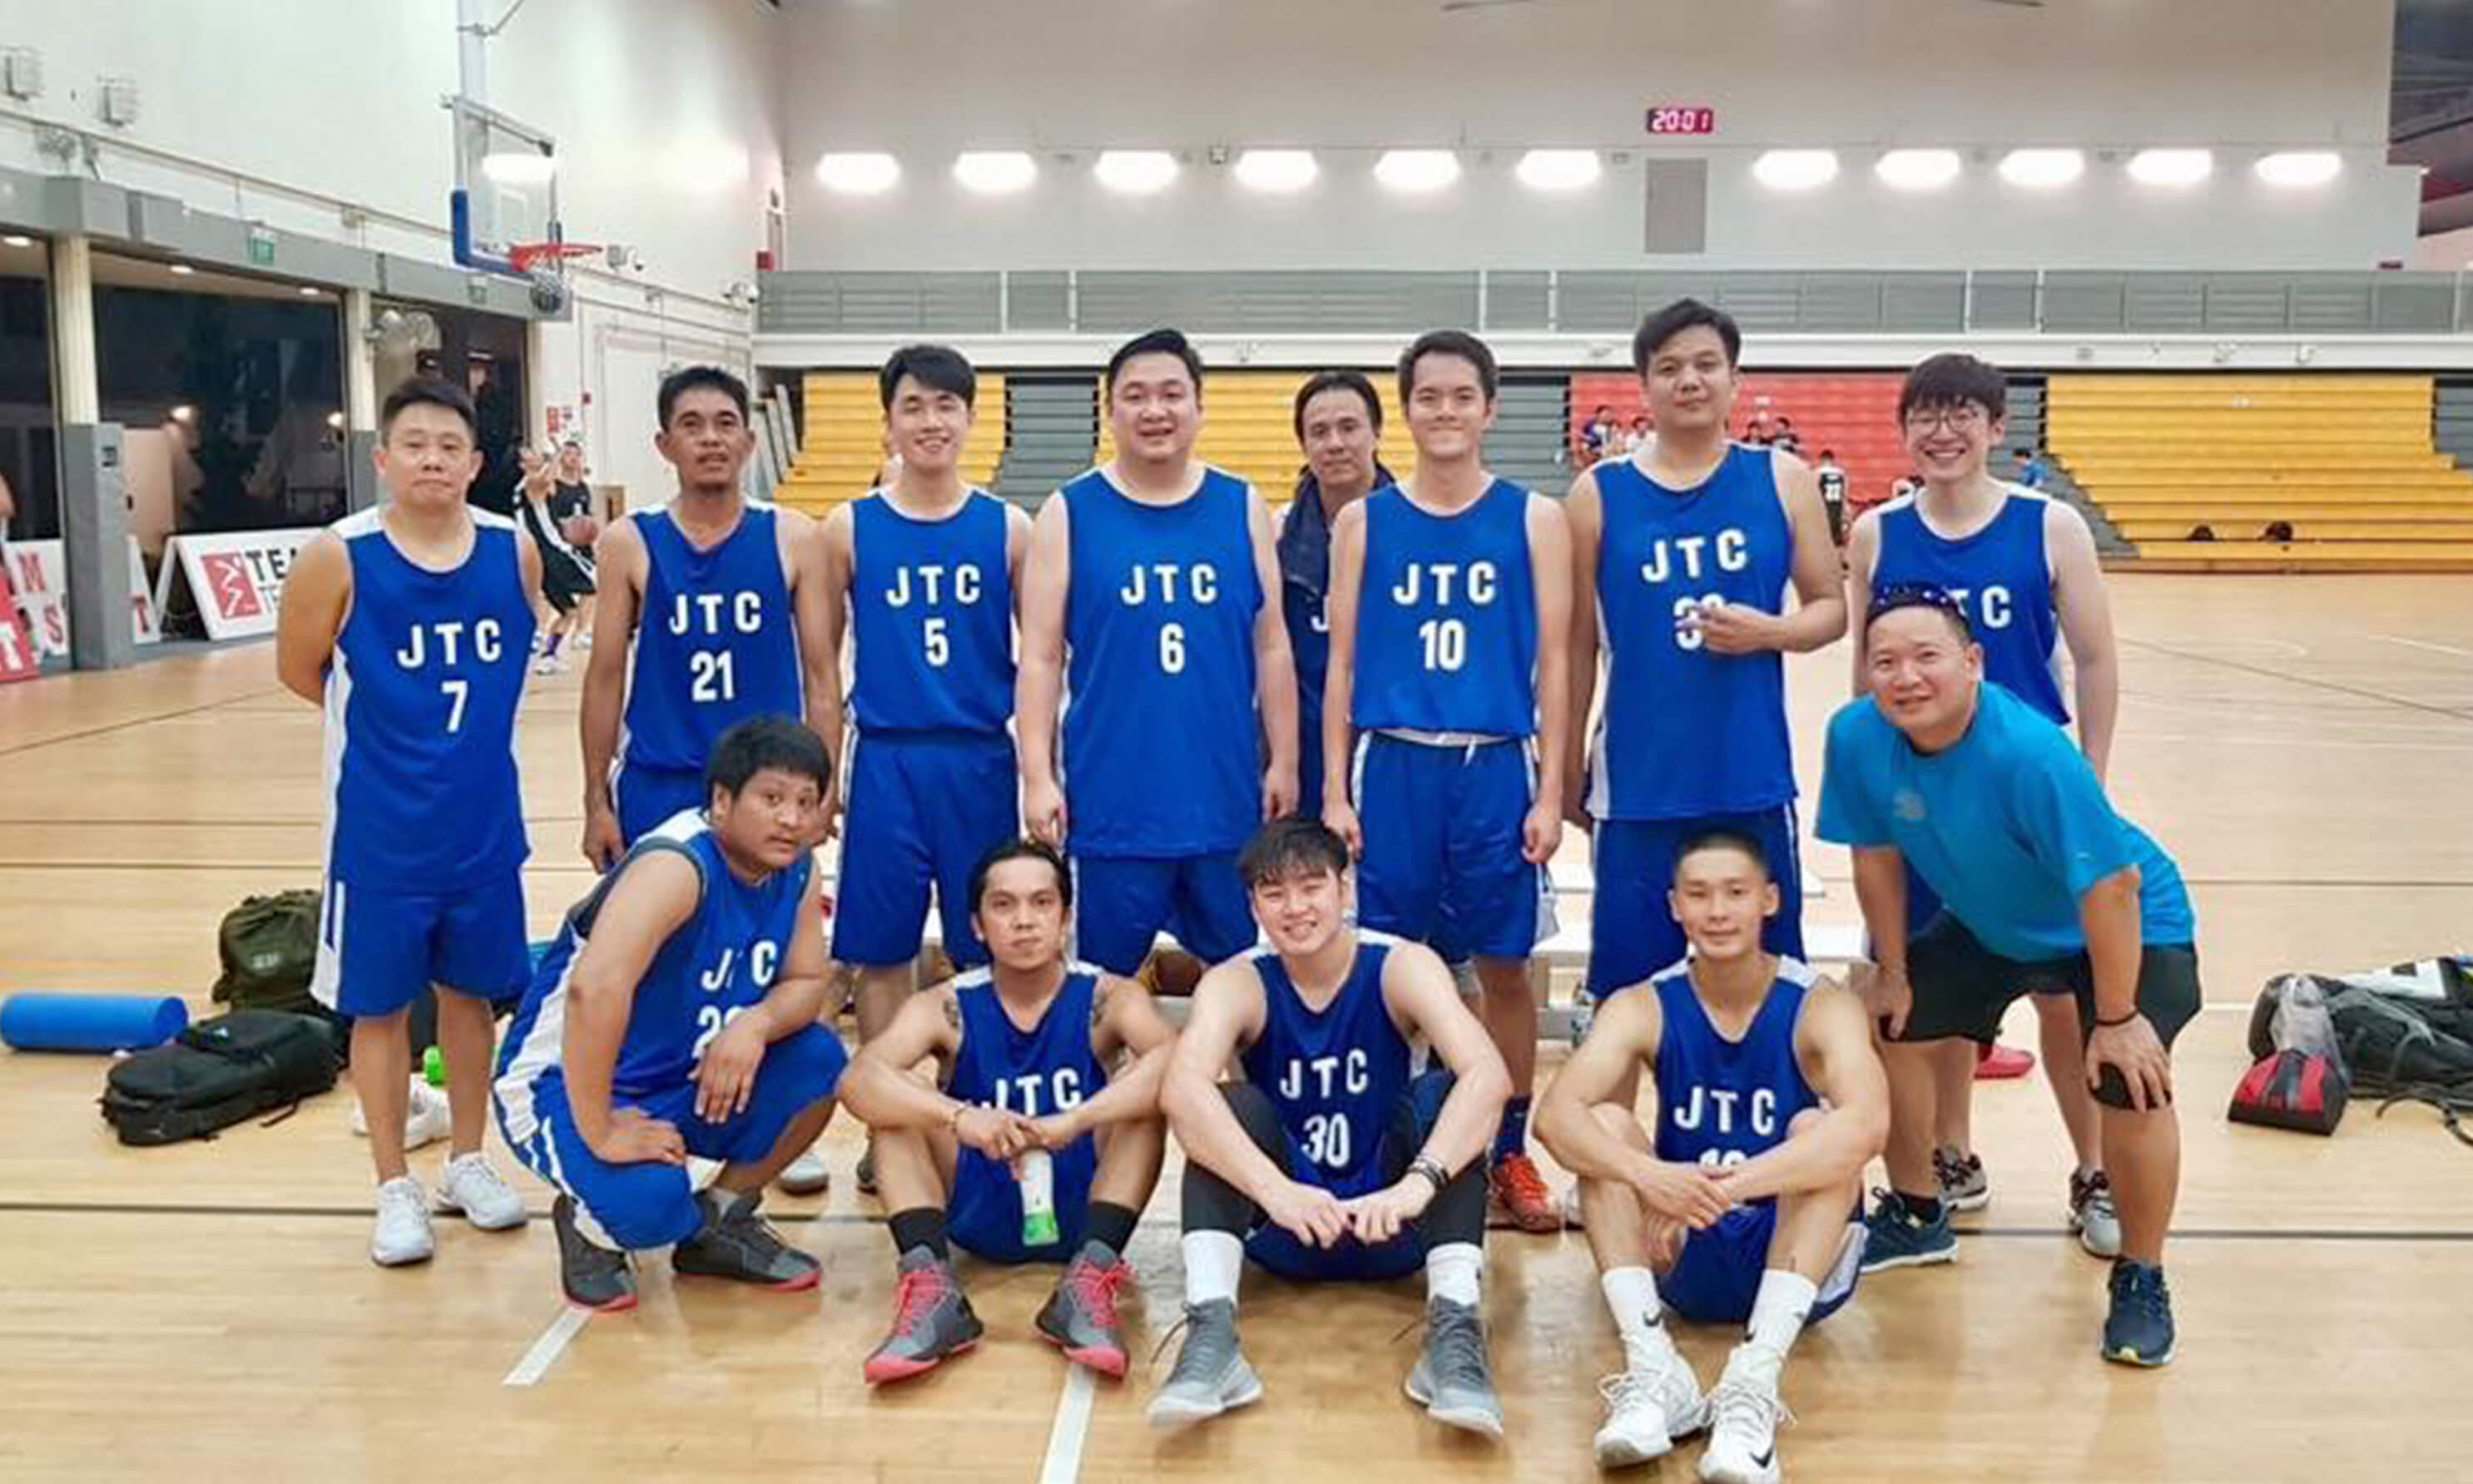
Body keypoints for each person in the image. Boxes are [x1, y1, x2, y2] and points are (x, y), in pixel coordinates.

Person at [1817, 586, 2196, 1367]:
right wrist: (1891, 970)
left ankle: (2142, 1275)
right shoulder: (1856, 736)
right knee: (1887, 1021)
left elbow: (2110, 887)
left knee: (2131, 1080)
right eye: (1884, 661)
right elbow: (1875, 855)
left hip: (2126, 925)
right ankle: (1920, 1214)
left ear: (1974, 662)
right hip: (1994, 923)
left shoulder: (2028, 751)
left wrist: (2120, 1018)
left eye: (1927, 657)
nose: (1905, 677)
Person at [1846, 353, 2124, 1254]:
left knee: (2061, 996)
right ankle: (1948, 1154)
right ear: (1904, 430)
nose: (1942, 429)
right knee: (1929, 991)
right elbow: (1868, 670)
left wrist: (2090, 771)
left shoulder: (2049, 526)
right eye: (1924, 414)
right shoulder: (1877, 532)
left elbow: (2092, 657)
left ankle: (2091, 1167)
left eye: (1961, 412)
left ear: (1995, 426)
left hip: (2023, 804)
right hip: (1923, 804)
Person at [275, 376, 539, 1267]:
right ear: (383, 458)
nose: (431, 457)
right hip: (380, 831)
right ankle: (395, 1183)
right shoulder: (339, 556)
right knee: (379, 1008)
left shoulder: (513, 550)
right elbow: (300, 669)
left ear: (474, 462)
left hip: (484, 824)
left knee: (473, 1000)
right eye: (413, 443)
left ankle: (468, 1158)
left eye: (448, 445)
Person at [1537, 829, 1886, 1478]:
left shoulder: (1821, 1004)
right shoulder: (1644, 1002)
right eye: (1699, 895)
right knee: (1607, 1126)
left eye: (1735, 893)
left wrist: (1719, 1188)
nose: (1718, 911)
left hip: (1790, 1252)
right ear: (1675, 906)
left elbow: (1869, 1126)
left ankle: (1752, 1385)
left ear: (1770, 900)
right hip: (1683, 1249)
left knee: (1820, 1128)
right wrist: (1650, 1176)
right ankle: (1653, 1368)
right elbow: (1554, 1118)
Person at [1321, 330, 1571, 1233]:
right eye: (1427, 397)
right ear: (1407, 409)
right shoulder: (1364, 521)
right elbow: (1340, 665)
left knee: (1505, 966)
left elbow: (1555, 659)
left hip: (1492, 762)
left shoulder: (1532, 517)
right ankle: (1384, 1141)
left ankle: (1505, 1145)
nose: (1444, 411)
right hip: (1391, 761)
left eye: (1461, 395)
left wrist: (1549, 792)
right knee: (1384, 968)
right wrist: (1332, 792)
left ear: (1489, 407)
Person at [1149, 819, 1513, 1437]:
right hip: (1287, 1225)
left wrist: (1416, 1185)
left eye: (1311, 887)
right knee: (1224, 1104)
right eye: (1274, 892)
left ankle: (1453, 1332)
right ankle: (1213, 1334)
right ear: (1253, 906)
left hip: (1393, 1223)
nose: (1295, 908)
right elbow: (1180, 1092)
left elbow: (1490, 1077)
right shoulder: (1238, 980)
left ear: (1345, 889)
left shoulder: (1401, 965)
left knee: (1447, 1094)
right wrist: (1274, 1190)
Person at [493, 715, 846, 1310]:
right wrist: (601, 1128)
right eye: (772, 798)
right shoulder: (678, 865)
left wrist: (753, 1024)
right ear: (721, 800)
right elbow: (593, 992)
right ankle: (587, 1225)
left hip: (679, 1070)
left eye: (807, 802)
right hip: (563, 1082)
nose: (792, 818)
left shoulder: (798, 867)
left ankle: (720, 1221)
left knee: (820, 1062)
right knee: (652, 1208)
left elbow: (809, 980)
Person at [790, 344, 1029, 1199]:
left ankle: (970, 1110)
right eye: (914, 406)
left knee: (982, 949)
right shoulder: (847, 527)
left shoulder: (1009, 527)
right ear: (888, 419)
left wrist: (1042, 771)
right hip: (886, 754)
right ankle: (890, 1118)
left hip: (979, 756)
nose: (931, 421)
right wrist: (821, 784)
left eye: (947, 406)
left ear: (971, 419)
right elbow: (822, 672)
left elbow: (1040, 660)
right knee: (881, 953)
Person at [1565, 299, 1846, 1009]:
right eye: (1668, 368)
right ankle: (1614, 1124)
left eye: (1705, 364)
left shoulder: (1783, 478)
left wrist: (1769, 632)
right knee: (1627, 988)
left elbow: (1831, 609)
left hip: (1748, 770)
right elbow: (1574, 648)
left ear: (1734, 378)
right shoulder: (1599, 493)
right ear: (1643, 386)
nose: (1688, 380)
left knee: (1773, 982)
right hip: (1638, 781)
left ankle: (1778, 1120)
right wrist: (1563, 766)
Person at [1017, 328, 1299, 977]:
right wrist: (1037, 774)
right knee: (1100, 990)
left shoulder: (1241, 504)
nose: (1155, 410)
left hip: (1225, 797)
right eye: (1135, 396)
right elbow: (1039, 658)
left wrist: (1283, 758)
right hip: (1114, 802)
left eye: (1172, 394)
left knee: (1247, 984)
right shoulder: (1070, 509)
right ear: (1109, 409)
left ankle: (1240, 1086)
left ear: (1199, 406)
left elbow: (1273, 643)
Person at [843, 838, 1176, 1383]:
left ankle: (1088, 1280)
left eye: (1042, 903)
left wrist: (1077, 1119)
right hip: (979, 1201)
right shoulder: (947, 1006)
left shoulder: (1107, 997)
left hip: (1082, 1203)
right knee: (894, 1110)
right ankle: (931, 1291)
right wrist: (958, 1117)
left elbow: (1176, 1062)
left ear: (1066, 917)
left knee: (1148, 1098)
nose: (1024, 921)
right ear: (976, 925)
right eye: (1004, 906)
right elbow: (857, 1079)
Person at [579, 366, 832, 861]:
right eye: (692, 425)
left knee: (767, 937)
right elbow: (605, 677)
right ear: (665, 444)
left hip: (768, 787)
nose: (711, 439)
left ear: (749, 440)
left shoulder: (795, 537)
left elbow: (822, 678)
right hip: (661, 780)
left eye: (725, 423)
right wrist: (595, 803)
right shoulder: (629, 542)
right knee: (658, 936)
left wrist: (820, 795)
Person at [1279, 369, 1394, 824]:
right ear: (1304, 445)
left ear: (1377, 432)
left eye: (1349, 427)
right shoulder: (1278, 536)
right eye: (1319, 432)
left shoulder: (1416, 527)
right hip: (1305, 747)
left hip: (1392, 746)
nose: (1335, 443)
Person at [518, 446, 596, 674]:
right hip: (554, 551)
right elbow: (548, 479)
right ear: (522, 465)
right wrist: (559, 454)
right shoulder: (531, 484)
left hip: (541, 554)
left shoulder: (526, 487)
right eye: (529, 454)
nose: (536, 453)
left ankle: (548, 655)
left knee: (567, 611)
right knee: (596, 585)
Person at [549, 440, 600, 646]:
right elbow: (547, 480)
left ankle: (580, 633)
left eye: (575, 454)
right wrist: (556, 454)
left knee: (590, 590)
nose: (572, 457)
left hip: (582, 547)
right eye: (567, 454)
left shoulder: (583, 488)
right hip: (562, 546)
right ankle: (566, 636)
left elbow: (590, 516)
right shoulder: (555, 484)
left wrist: (594, 538)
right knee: (586, 591)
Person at [1813, 449, 1848, 548]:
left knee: (1823, 536)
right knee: (1837, 537)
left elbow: (1814, 491)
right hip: (1837, 506)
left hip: (1823, 506)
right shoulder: (1841, 473)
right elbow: (1844, 492)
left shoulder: (1817, 473)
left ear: (1822, 460)